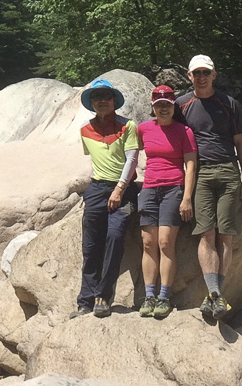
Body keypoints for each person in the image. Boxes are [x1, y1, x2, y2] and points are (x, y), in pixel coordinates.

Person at [176, 54, 242, 321]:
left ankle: (214, 295)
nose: (201, 77)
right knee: (206, 234)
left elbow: (240, 143)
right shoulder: (181, 105)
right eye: (196, 73)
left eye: (205, 72)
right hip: (200, 173)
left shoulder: (229, 104)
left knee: (226, 235)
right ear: (189, 76)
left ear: (214, 75)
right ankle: (215, 293)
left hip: (228, 170)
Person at [71, 77, 139, 319]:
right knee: (91, 245)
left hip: (126, 192)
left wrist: (119, 189)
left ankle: (103, 296)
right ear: (91, 103)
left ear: (114, 101)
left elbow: (132, 160)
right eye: (97, 97)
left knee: (115, 236)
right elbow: (96, 161)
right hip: (97, 190)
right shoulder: (85, 130)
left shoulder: (128, 126)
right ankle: (85, 301)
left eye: (106, 97)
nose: (102, 101)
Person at [136, 85, 197, 320]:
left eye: (167, 105)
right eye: (159, 105)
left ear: (173, 107)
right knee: (148, 243)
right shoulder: (143, 129)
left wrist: (187, 197)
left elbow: (190, 165)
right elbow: (132, 153)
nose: (163, 109)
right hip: (149, 188)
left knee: (165, 243)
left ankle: (164, 296)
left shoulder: (184, 131)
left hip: (174, 188)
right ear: (153, 107)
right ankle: (149, 295)